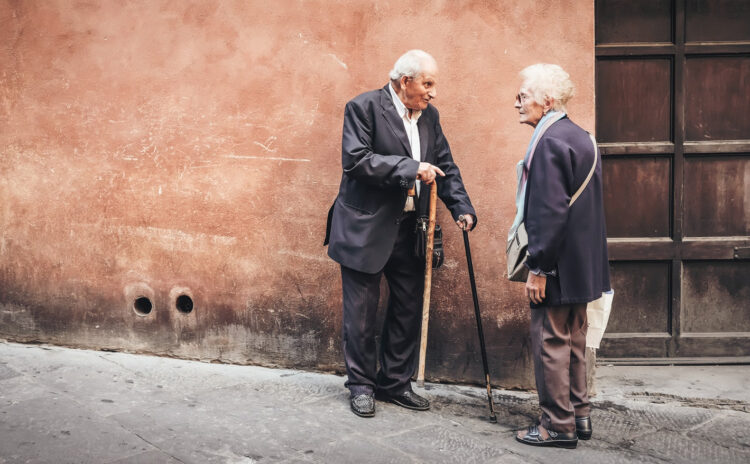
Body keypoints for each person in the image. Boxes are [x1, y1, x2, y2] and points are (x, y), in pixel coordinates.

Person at [324, 50, 476, 418]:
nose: (433, 92)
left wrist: (462, 208)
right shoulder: (363, 107)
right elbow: (357, 160)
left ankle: (394, 383)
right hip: (365, 228)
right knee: (360, 315)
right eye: (428, 83)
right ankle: (361, 385)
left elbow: (445, 165)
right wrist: (411, 167)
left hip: (411, 229)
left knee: (407, 310)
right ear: (404, 81)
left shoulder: (430, 117)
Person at [509, 64, 611, 448]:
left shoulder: (549, 141)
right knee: (574, 340)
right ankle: (579, 415)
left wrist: (539, 268)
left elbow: (549, 212)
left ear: (547, 100)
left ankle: (557, 425)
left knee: (551, 342)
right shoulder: (582, 136)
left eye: (523, 96)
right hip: (582, 265)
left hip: (557, 266)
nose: (517, 102)